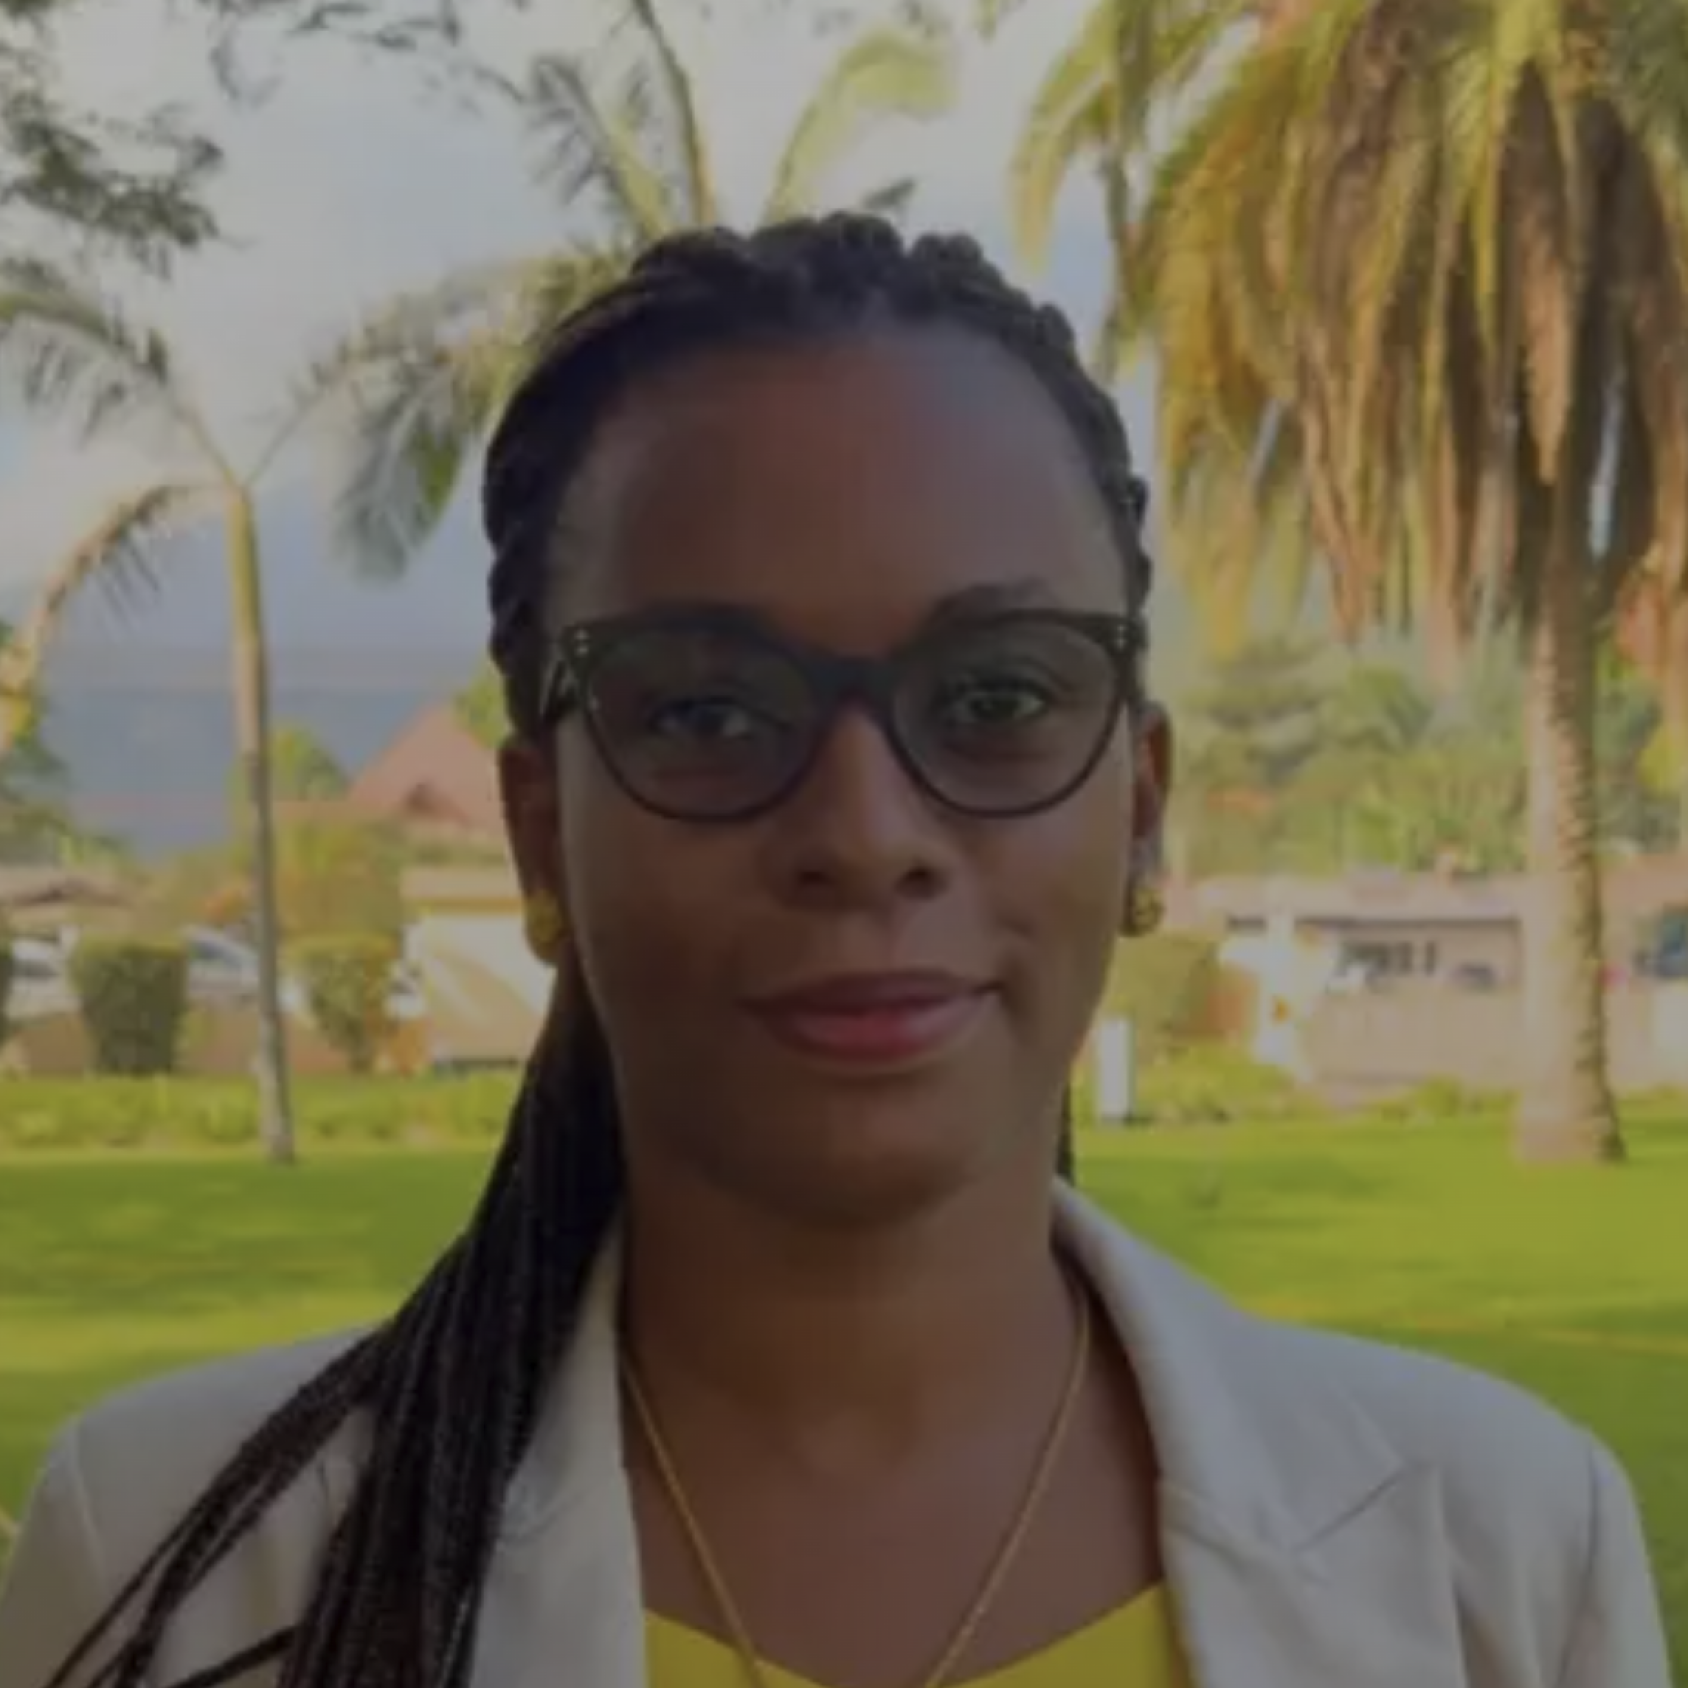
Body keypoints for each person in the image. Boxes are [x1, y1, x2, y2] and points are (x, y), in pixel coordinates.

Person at [0, 215, 1669, 1688]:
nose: (867, 831)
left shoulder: (1499, 1559)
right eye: (710, 709)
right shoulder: (187, 1567)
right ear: (538, 835)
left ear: (1143, 807)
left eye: (999, 697)